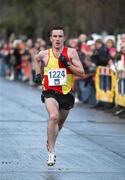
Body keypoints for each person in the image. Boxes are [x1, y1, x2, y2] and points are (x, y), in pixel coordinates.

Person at [34, 26, 85, 166]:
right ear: (50, 38)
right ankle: (51, 152)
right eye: (54, 36)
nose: (57, 39)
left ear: (64, 38)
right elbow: (36, 58)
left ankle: (50, 140)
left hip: (66, 92)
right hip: (50, 90)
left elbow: (81, 73)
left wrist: (67, 63)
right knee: (53, 116)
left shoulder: (72, 52)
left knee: (60, 124)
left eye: (60, 36)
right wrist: (38, 74)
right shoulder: (45, 53)